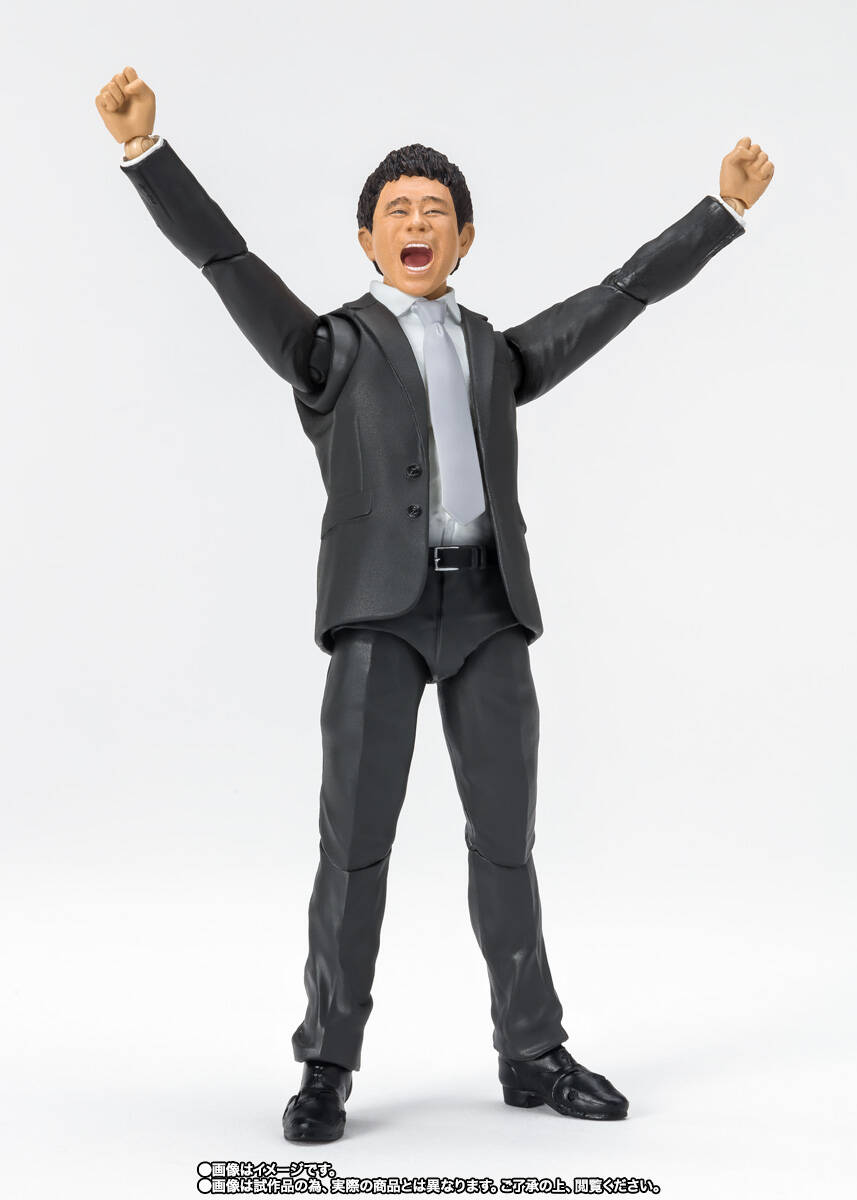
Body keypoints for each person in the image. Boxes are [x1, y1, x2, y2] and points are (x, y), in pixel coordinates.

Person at [95, 66, 774, 1143]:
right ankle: (326, 1061)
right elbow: (225, 259)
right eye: (398, 211)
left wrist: (720, 212)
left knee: (505, 842)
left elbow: (616, 297)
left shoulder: (493, 352)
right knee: (353, 848)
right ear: (367, 238)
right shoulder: (329, 349)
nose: (417, 225)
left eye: (435, 212)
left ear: (464, 238)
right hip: (380, 617)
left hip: (489, 612)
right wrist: (147, 154)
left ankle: (530, 1049)